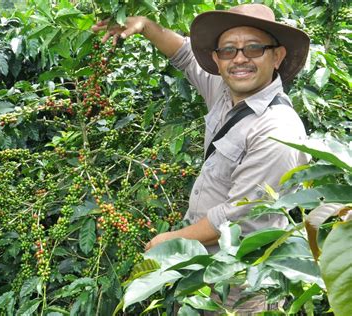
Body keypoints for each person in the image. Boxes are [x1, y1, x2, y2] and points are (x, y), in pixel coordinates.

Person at [93, 4, 310, 313]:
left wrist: (171, 239)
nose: (239, 59)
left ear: (277, 56)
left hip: (241, 284)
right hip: (204, 270)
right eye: (228, 50)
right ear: (216, 59)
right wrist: (145, 25)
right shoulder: (225, 90)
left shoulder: (277, 130)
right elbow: (182, 53)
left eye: (254, 48)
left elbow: (238, 216)